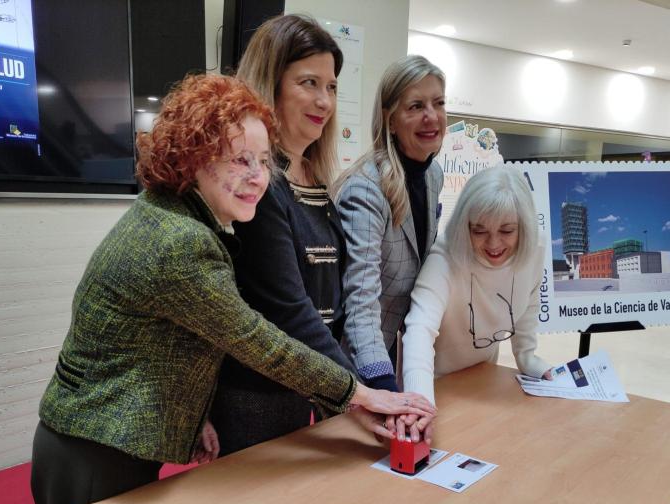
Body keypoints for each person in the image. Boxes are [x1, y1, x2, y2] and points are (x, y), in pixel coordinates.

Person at [30, 74, 434, 504]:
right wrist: (362, 394)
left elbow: (156, 342)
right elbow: (261, 343)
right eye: (240, 161)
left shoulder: (173, 215)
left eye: (264, 161)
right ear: (193, 158)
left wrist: (195, 414)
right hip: (93, 449)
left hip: (101, 436)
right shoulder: (182, 242)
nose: (258, 178)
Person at [211, 15, 363, 454]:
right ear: (270, 85)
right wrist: (361, 395)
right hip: (258, 394)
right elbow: (291, 310)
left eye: (331, 86)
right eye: (309, 83)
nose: (324, 100)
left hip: (311, 381)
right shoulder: (258, 184)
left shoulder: (315, 174)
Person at [333, 55, 447, 399]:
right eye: (415, 106)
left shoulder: (433, 176)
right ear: (391, 120)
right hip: (354, 361)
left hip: (397, 348)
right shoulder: (366, 190)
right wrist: (383, 384)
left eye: (438, 103)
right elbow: (361, 302)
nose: (431, 116)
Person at [401, 164, 552, 410]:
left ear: (523, 227)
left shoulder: (535, 248)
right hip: (438, 385)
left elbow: (529, 304)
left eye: (507, 230)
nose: (494, 244)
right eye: (479, 231)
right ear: (465, 225)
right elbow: (419, 327)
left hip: (483, 376)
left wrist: (528, 358)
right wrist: (419, 401)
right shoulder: (445, 256)